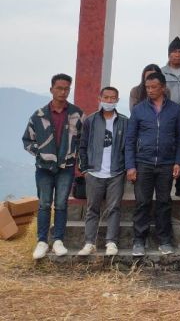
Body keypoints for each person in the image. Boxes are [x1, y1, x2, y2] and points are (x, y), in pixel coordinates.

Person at [125, 71, 180, 257]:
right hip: (143, 163)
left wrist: (178, 162)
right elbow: (130, 140)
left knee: (164, 202)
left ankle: (165, 240)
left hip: (167, 164)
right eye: (147, 87)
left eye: (154, 87)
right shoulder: (139, 109)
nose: (150, 90)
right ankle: (139, 241)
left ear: (163, 87)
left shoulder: (175, 109)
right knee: (142, 202)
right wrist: (130, 166)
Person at [24, 73, 83, 260]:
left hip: (66, 167)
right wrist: (41, 154)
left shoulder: (77, 114)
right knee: (44, 204)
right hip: (44, 168)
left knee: (61, 204)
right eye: (59, 88)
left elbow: (83, 141)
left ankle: (58, 240)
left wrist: (77, 159)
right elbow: (27, 140)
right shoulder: (39, 115)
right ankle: (42, 241)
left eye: (66, 88)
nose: (63, 91)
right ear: (51, 89)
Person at [77, 87, 127, 257]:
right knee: (92, 209)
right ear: (99, 98)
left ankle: (111, 242)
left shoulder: (124, 121)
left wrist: (126, 168)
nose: (109, 101)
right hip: (94, 172)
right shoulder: (90, 120)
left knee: (114, 208)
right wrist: (85, 169)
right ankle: (89, 243)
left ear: (117, 100)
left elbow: (128, 147)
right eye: (106, 97)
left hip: (116, 172)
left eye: (113, 98)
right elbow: (82, 146)